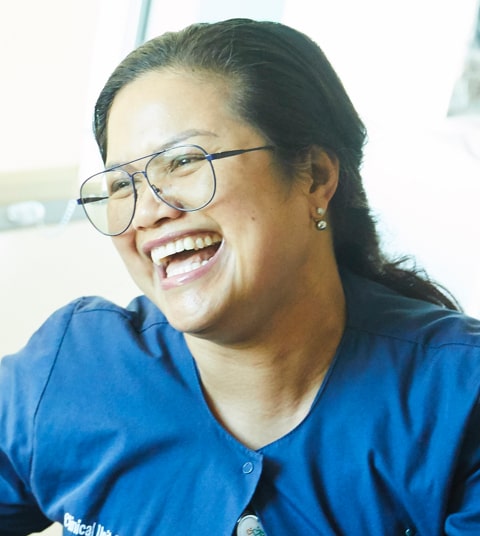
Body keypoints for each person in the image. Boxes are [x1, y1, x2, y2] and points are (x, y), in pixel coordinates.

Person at [1, 18, 479, 536]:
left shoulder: (458, 399)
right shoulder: (72, 369)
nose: (147, 212)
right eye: (121, 185)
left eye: (184, 161)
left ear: (315, 176)